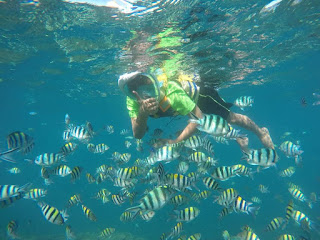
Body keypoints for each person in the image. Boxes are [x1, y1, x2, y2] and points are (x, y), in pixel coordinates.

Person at [118, 70, 274, 151]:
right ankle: (234, 135)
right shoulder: (134, 101)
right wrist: (143, 114)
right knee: (209, 126)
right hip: (185, 108)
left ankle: (261, 132)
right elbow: (137, 134)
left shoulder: (173, 94)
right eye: (137, 89)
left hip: (201, 96)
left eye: (148, 86)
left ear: (154, 82)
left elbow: (199, 118)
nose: (147, 95)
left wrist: (177, 141)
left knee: (230, 118)